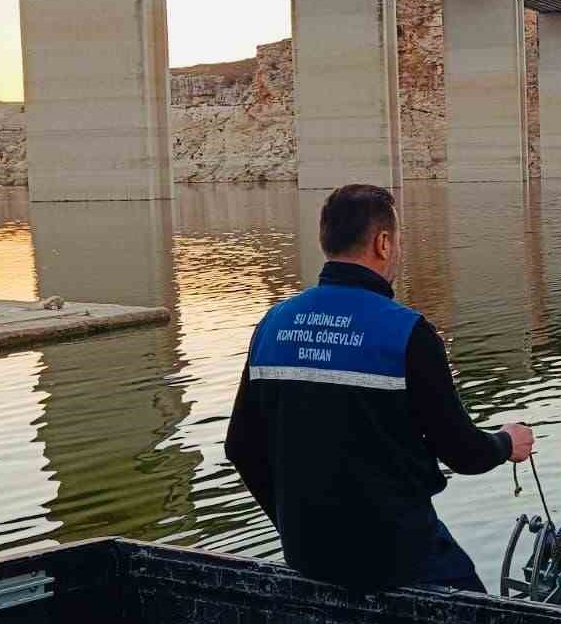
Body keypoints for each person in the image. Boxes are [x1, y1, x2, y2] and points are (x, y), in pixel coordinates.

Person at [226, 183, 533, 593]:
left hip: (308, 553)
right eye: (399, 241)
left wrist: (292, 525)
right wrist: (505, 443)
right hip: (399, 554)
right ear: (383, 243)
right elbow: (462, 452)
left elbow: (240, 447)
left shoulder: (273, 325)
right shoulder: (408, 333)